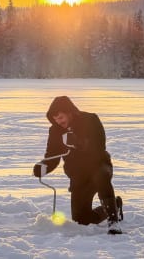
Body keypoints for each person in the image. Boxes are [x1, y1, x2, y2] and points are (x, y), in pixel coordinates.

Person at [33, 96, 123, 234]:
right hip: (79, 177)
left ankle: (113, 222)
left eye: (61, 117)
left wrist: (78, 142)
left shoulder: (91, 120)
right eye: (55, 119)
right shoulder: (55, 131)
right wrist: (43, 167)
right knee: (81, 220)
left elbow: (99, 146)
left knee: (101, 177)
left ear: (70, 112)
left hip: (99, 166)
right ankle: (115, 205)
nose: (59, 121)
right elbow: (52, 155)